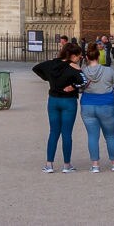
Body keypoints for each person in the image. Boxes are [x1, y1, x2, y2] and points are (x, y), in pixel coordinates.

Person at [33, 41, 85, 172]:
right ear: (73, 55)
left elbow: (36, 68)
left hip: (53, 100)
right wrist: (73, 86)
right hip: (68, 101)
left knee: (53, 132)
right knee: (67, 133)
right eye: (79, 55)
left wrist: (48, 78)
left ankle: (49, 164)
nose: (80, 58)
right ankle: (67, 165)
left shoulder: (52, 63)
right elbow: (84, 82)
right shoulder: (74, 67)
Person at [80, 42, 114, 172]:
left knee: (92, 136)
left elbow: (80, 89)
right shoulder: (108, 70)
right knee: (110, 136)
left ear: (87, 58)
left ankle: (95, 165)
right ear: (98, 56)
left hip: (87, 105)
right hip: (106, 104)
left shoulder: (83, 72)